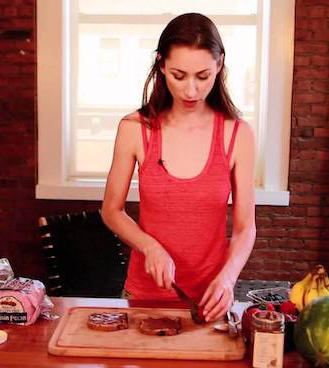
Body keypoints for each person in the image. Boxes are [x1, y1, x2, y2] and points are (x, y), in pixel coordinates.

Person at [101, 13, 256, 322]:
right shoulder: (135, 128)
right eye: (178, 75)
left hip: (209, 298)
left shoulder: (238, 134)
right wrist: (150, 247)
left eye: (203, 76)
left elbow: (244, 227)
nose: (190, 91)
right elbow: (111, 211)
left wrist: (227, 278)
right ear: (161, 65)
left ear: (220, 64)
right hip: (145, 296)